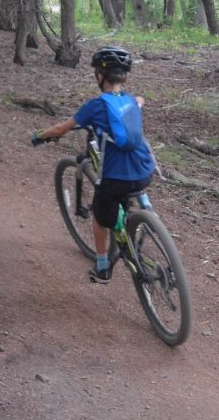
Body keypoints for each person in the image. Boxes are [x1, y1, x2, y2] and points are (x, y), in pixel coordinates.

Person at [31, 46, 156, 283]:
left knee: (100, 217)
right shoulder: (132, 101)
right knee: (130, 188)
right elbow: (141, 100)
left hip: (116, 178)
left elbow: (61, 129)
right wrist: (140, 100)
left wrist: (40, 136)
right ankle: (146, 217)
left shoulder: (95, 106)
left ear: (99, 76)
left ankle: (102, 267)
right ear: (126, 77)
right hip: (145, 170)